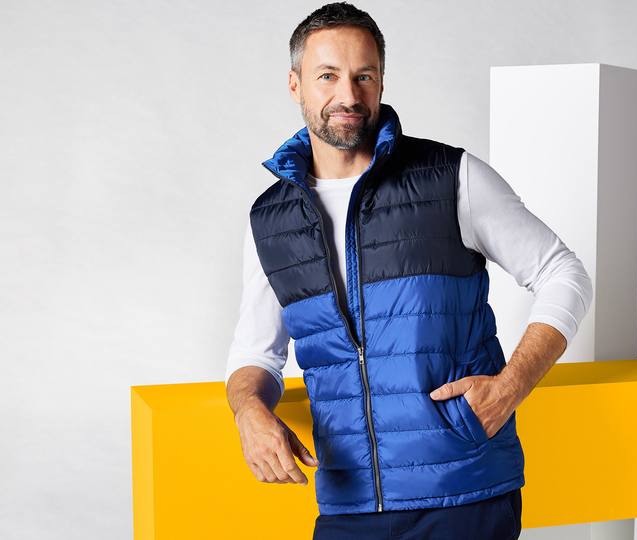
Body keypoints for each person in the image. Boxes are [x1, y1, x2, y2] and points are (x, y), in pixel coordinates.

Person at [224, 3, 593, 539]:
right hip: (349, 502)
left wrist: (511, 386)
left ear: (381, 81)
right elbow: (257, 352)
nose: (349, 95)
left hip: (463, 492)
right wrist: (248, 411)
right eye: (328, 76)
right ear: (295, 83)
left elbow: (563, 272)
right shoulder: (270, 219)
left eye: (364, 76)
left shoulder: (450, 177)